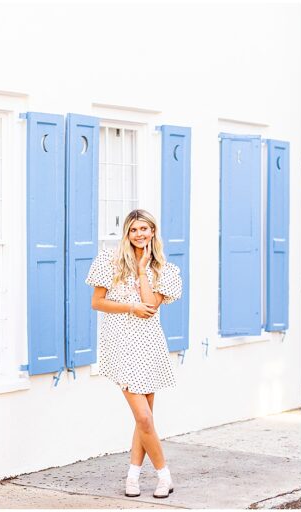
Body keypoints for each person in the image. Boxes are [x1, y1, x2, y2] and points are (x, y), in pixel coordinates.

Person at [86, 209, 183, 499]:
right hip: (120, 345)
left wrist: (142, 271)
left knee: (145, 420)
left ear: (153, 232)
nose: (139, 234)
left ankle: (133, 476)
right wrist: (130, 307)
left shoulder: (165, 270)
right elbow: (97, 302)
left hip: (149, 345)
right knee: (144, 417)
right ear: (127, 233)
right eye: (134, 229)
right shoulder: (109, 261)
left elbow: (150, 306)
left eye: (144, 229)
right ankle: (164, 476)